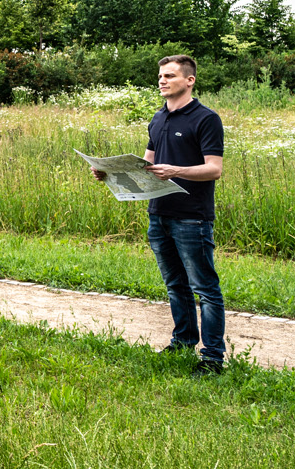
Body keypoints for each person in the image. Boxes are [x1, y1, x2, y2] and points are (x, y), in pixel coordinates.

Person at [93, 54, 226, 376]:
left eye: (169, 76)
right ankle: (182, 341)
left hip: (192, 217)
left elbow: (214, 169)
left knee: (204, 288)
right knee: (175, 285)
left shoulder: (205, 119)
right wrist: (110, 173)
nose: (162, 81)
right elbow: (146, 164)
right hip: (159, 214)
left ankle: (212, 357)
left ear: (189, 80)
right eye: (160, 77)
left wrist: (178, 170)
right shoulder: (158, 118)